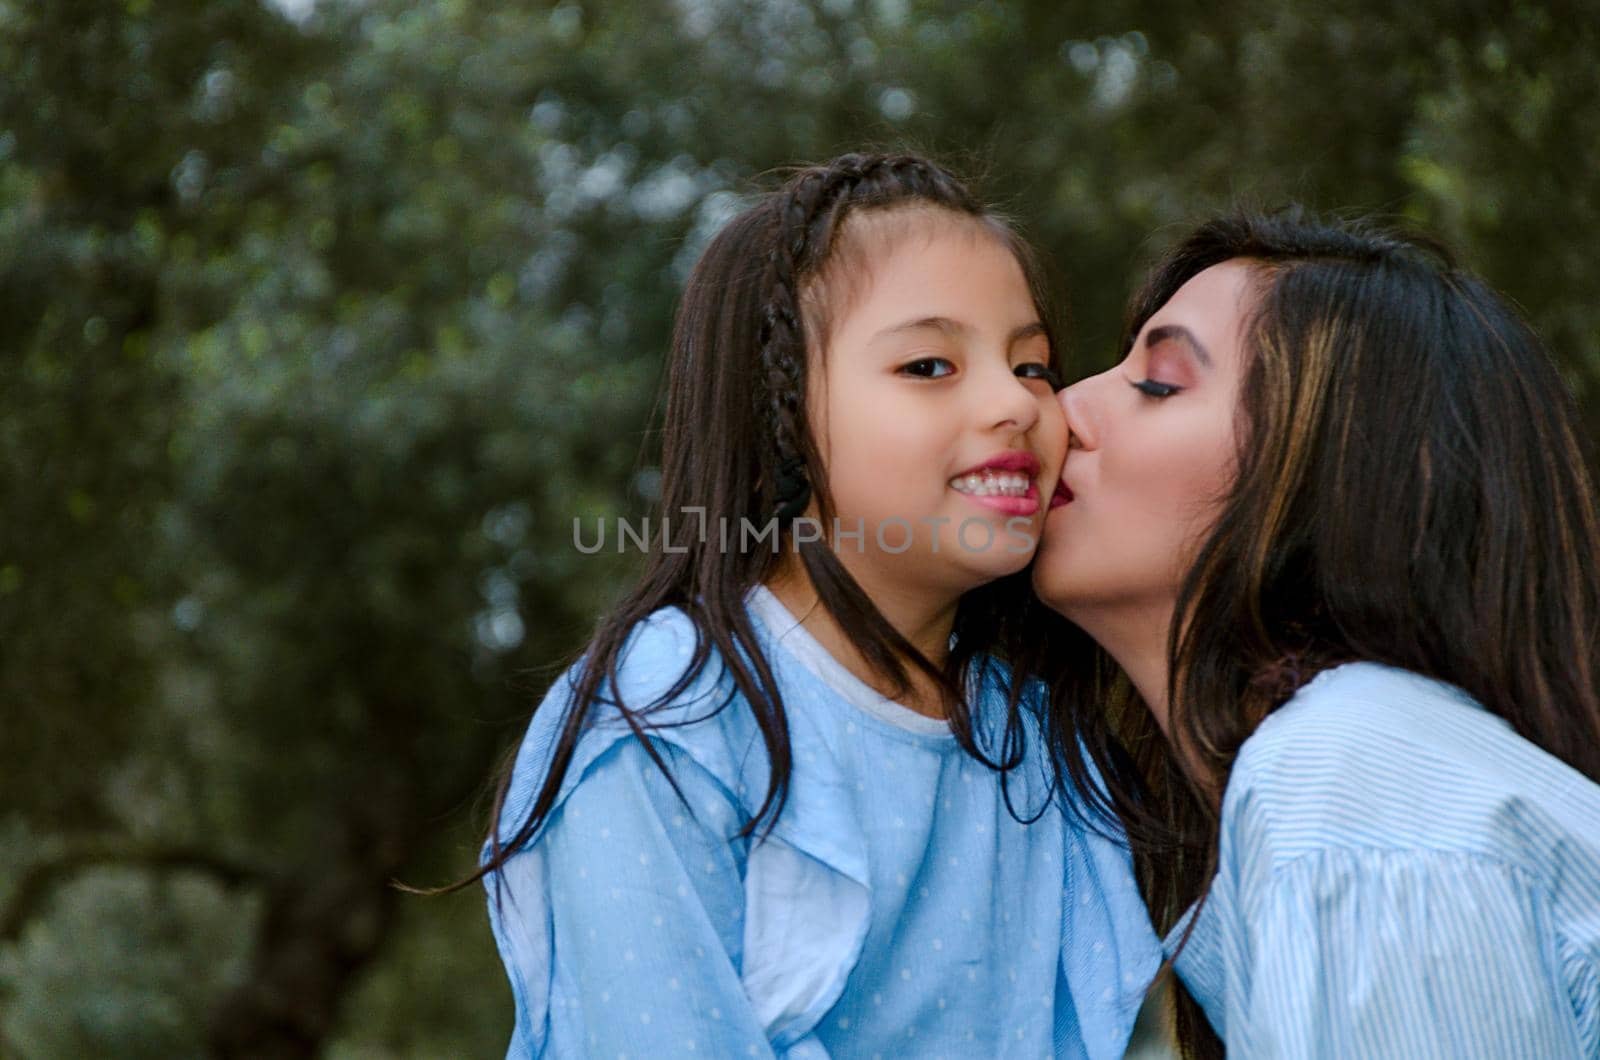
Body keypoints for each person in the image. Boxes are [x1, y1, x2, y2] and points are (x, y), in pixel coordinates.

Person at [472, 153, 1161, 1059]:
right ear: (782, 414)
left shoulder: (1036, 734)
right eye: (928, 364)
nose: (1017, 404)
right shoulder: (669, 717)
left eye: (1031, 365)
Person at [1026, 207, 1600, 1058]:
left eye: (1159, 382)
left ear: (1346, 480)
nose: (1061, 409)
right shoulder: (1352, 781)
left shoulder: (1352, 783)